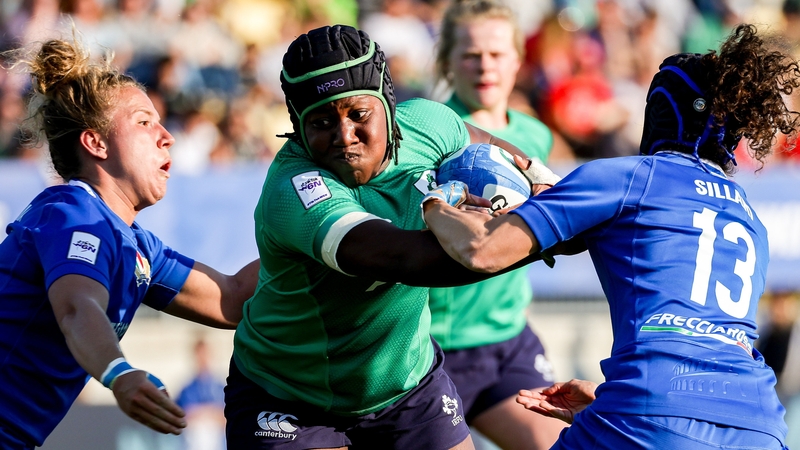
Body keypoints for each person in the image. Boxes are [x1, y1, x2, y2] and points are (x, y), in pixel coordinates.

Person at [422, 24, 798, 449]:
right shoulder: (750, 217)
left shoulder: (630, 176)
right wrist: (606, 398)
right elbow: (709, 337)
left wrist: (436, 197)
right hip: (762, 426)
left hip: (648, 411)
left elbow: (481, 250)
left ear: (659, 111)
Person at [224, 24, 555, 450]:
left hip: (409, 388)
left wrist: (539, 177)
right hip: (291, 398)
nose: (345, 136)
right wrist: (541, 234)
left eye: (358, 114)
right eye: (322, 122)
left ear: (388, 106)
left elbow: (480, 140)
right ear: (297, 126)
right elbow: (406, 259)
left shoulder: (426, 122)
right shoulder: (296, 190)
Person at [0, 37, 259, 450]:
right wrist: (118, 373)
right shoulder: (72, 211)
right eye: (143, 122)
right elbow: (76, 307)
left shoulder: (138, 246)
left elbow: (232, 298)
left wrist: (317, 239)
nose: (166, 136)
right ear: (96, 143)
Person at [429, 1, 566, 448]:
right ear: (447, 61)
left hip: (507, 344)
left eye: (496, 53)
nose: (484, 66)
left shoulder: (536, 136)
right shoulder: (424, 133)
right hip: (430, 353)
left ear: (517, 59)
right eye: (470, 54)